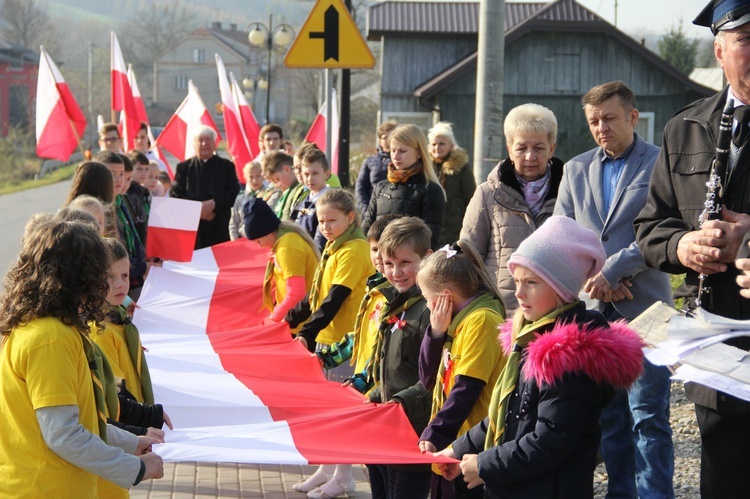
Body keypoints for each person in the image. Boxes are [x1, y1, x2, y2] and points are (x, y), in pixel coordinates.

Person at [435, 216, 644, 498]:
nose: (519, 293)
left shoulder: (568, 357)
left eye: (531, 282)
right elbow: (506, 414)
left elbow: (549, 441)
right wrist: (458, 449)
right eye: (516, 281)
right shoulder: (528, 337)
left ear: (560, 288)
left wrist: (484, 465)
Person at [634, 2, 750, 496]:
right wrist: (684, 246)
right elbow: (650, 227)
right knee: (724, 480)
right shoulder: (685, 127)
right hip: (717, 350)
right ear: (719, 51)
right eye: (747, 40)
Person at [554, 81, 675, 499]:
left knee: (648, 416)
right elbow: (562, 236)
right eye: (593, 121)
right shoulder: (574, 169)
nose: (601, 128)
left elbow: (666, 228)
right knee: (609, 418)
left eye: (609, 118)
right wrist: (599, 280)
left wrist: (616, 270)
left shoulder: (662, 163)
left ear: (632, 117)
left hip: (647, 308)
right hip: (594, 310)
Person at [0, 218, 164, 497]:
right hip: (47, 489)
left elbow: (83, 418)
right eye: (99, 273)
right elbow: (63, 434)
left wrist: (128, 442)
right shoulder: (50, 339)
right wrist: (135, 468)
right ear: (79, 277)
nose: (103, 283)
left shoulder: (50, 328)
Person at [285, 190, 373, 499]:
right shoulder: (333, 246)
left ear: (350, 218)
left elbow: (336, 298)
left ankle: (344, 475)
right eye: (321, 221)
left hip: (346, 344)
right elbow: (315, 298)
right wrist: (287, 323)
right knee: (326, 412)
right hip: (327, 342)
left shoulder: (355, 249)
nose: (325, 227)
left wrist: (306, 333)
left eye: (331, 220)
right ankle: (327, 467)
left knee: (343, 412)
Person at [417, 240, 506, 499]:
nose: (427, 305)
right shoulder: (455, 324)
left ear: (445, 297)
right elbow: (427, 378)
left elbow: (467, 388)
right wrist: (435, 333)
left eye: (427, 299)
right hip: (451, 447)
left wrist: (436, 434)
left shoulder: (481, 321)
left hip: (469, 451)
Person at [460, 103, 563, 314]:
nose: (530, 157)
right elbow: (469, 255)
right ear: (509, 148)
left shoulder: (569, 192)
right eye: (521, 148)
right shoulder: (488, 194)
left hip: (556, 310)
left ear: (552, 148)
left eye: (539, 148)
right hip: (500, 310)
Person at [364, 216, 434, 499]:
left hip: (414, 432)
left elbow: (433, 378)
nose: (396, 272)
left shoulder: (431, 311)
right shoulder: (396, 301)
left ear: (427, 258)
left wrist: (397, 403)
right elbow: (391, 367)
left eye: (406, 263)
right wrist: (373, 394)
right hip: (387, 425)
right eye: (390, 264)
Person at [363, 124, 446, 250]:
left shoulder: (431, 190)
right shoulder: (381, 187)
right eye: (393, 150)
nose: (396, 156)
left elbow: (430, 240)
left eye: (402, 151)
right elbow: (366, 231)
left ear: (419, 152)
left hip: (410, 266)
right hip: (379, 262)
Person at [243, 197, 320, 328]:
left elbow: (296, 293)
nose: (260, 247)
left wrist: (273, 319)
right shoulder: (285, 241)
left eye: (258, 241)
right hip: (297, 319)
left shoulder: (287, 247)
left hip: (300, 324)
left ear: (267, 233)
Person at [171, 126, 240, 249]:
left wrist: (214, 203)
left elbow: (234, 192)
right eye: (200, 140)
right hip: (192, 230)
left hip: (219, 227)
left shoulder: (226, 166)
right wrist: (198, 210)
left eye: (208, 140)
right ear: (194, 144)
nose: (204, 144)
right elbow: (175, 195)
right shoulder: (184, 168)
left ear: (214, 144)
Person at [96, 151, 147, 298]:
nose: (119, 179)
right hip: (116, 283)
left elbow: (133, 235)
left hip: (134, 274)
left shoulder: (122, 200)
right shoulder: (101, 208)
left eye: (121, 174)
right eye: (112, 174)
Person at [428, 122, 475, 246]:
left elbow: (471, 198)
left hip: (454, 226)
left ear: (451, 145)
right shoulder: (425, 167)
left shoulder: (461, 167)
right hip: (430, 225)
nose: (437, 147)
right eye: (434, 144)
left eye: (442, 144)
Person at [356, 120, 399, 215]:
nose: (388, 141)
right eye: (384, 138)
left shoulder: (401, 161)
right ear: (379, 141)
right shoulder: (370, 161)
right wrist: (366, 210)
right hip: (372, 211)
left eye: (391, 137)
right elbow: (360, 187)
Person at [295, 146, 334, 250]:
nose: (310, 179)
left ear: (327, 174)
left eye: (315, 173)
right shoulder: (304, 200)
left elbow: (320, 242)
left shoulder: (331, 202)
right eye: (306, 174)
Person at [229, 161, 266, 240]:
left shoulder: (270, 194)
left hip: (264, 239)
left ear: (263, 176)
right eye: (251, 177)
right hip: (244, 240)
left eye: (258, 176)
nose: (255, 180)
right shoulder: (240, 198)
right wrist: (235, 241)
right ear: (245, 178)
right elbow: (233, 224)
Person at [263, 151, 299, 220]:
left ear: (286, 169)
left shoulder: (299, 190)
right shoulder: (287, 192)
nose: (277, 185)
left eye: (277, 179)